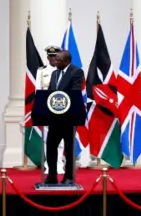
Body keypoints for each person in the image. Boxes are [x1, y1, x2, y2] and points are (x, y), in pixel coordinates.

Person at [45, 49, 85, 185]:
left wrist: (58, 99)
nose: (54, 62)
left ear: (66, 61)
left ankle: (69, 177)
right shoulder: (55, 73)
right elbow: (50, 92)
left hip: (69, 117)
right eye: (54, 59)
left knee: (69, 148)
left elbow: (74, 91)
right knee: (50, 147)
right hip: (54, 118)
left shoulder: (76, 72)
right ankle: (51, 176)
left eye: (58, 60)